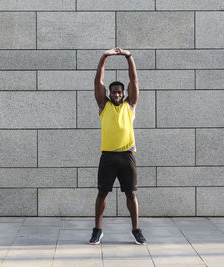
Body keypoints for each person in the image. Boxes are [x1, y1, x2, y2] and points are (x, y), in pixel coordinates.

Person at [89, 47, 146, 245]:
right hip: (108, 156)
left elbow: (134, 81)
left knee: (131, 194)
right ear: (109, 93)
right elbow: (98, 82)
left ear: (123, 93)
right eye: (113, 92)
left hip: (127, 155)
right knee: (102, 193)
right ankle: (97, 230)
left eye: (119, 92)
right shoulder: (103, 105)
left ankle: (136, 230)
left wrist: (129, 57)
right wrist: (104, 56)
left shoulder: (129, 106)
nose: (115, 95)